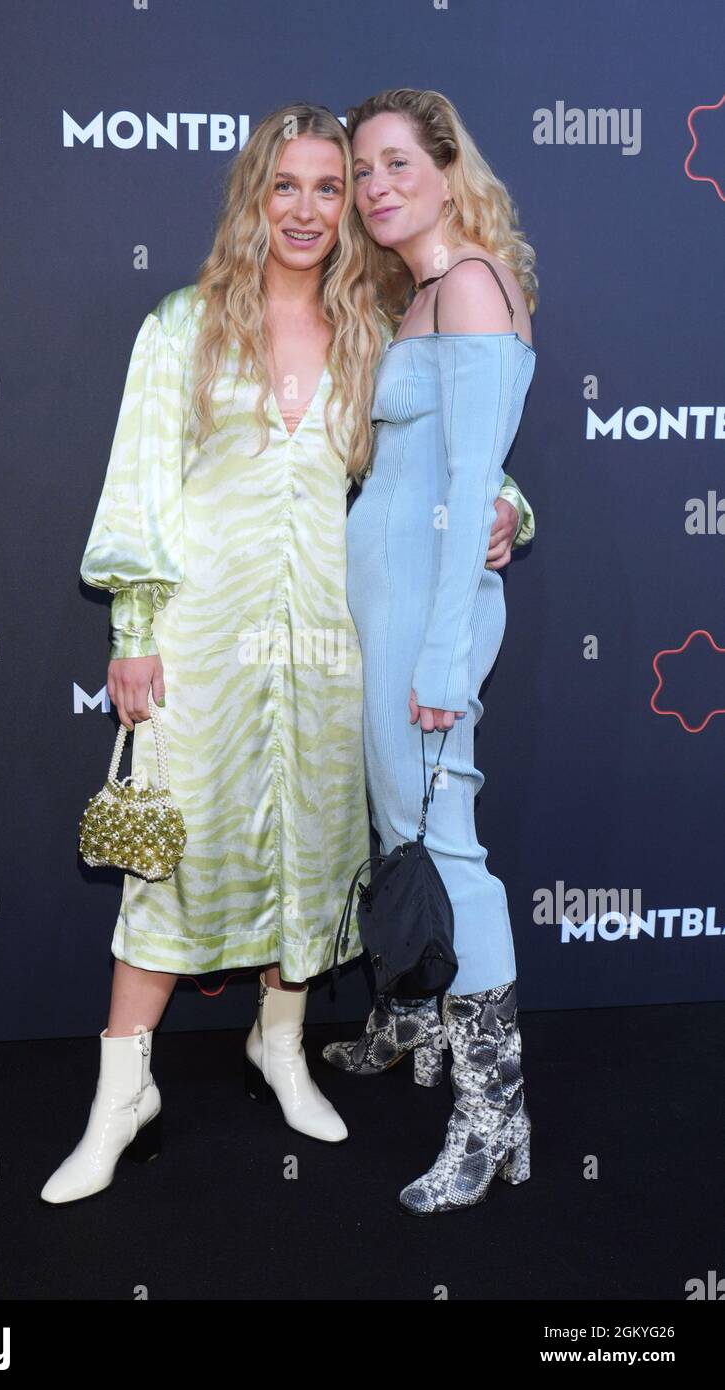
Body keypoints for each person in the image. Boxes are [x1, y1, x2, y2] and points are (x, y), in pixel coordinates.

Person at [41, 102, 534, 1206]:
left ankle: (280, 1043)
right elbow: (137, 488)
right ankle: (122, 1096)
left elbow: (444, 451)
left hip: (330, 646)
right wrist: (131, 634)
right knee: (169, 865)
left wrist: (508, 502)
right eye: (289, 185)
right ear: (251, 197)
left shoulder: (373, 322)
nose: (312, 208)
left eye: (331, 185)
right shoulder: (183, 323)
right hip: (204, 648)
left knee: (311, 854)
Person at [323, 88, 536, 1214]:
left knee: (447, 851)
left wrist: (442, 658)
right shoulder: (415, 296)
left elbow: (466, 487)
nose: (375, 187)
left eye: (397, 163)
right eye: (361, 171)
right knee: (407, 832)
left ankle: (493, 1112)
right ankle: (413, 1020)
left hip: (427, 622)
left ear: (449, 172)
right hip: (394, 612)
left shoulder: (467, 287)